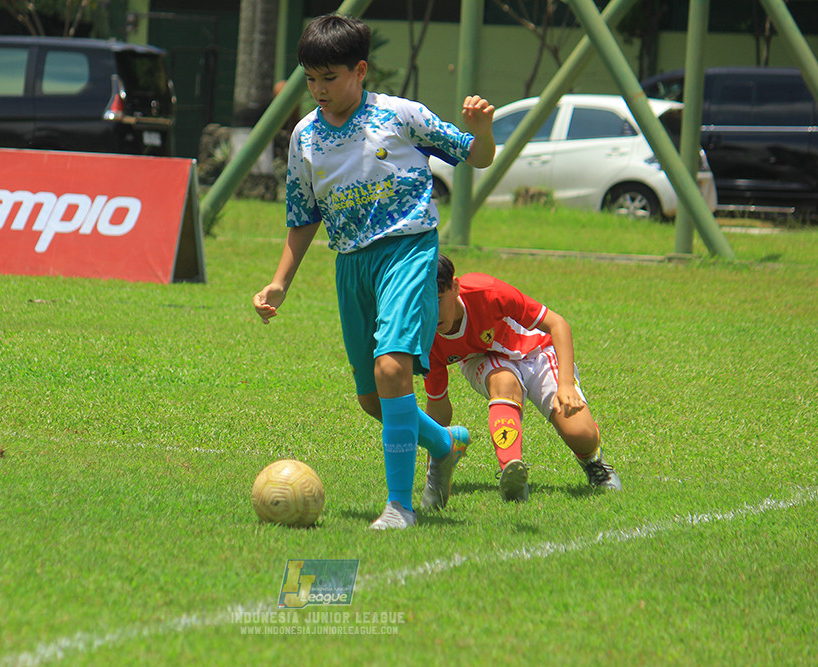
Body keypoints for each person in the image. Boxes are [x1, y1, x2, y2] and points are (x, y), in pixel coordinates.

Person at [252, 14, 496, 529]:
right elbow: (303, 219)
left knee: (392, 371)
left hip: (407, 253)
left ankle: (399, 506)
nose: (318, 89)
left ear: (360, 71)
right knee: (372, 398)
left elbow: (477, 157)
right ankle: (444, 443)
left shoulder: (401, 116)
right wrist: (279, 281)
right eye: (310, 78)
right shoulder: (305, 138)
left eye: (329, 78)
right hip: (351, 268)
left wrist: (481, 132)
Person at [425, 255, 620, 502]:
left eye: (438, 300)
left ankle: (594, 464)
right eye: (422, 302)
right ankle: (512, 473)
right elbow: (438, 409)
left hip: (537, 351)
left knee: (581, 434)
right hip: (484, 360)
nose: (431, 311)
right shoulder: (424, 335)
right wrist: (435, 473)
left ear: (454, 288)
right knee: (504, 382)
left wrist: (566, 384)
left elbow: (558, 324)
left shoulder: (487, 291)